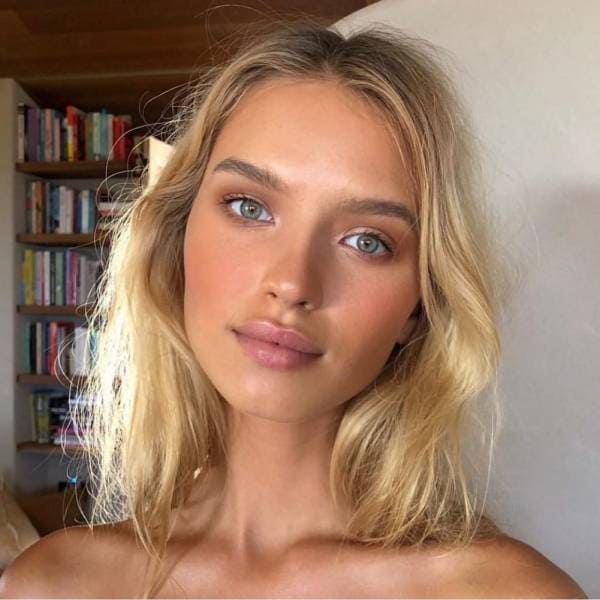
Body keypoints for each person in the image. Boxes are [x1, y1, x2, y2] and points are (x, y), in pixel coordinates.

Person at [0, 18, 587, 599]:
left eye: (367, 241)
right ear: (175, 241)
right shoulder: (50, 585)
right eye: (249, 207)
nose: (292, 282)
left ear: (418, 308)